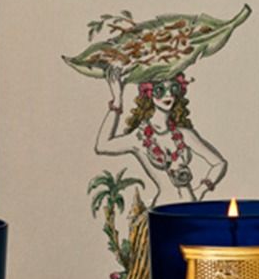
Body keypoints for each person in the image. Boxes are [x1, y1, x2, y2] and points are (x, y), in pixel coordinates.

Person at [95, 65, 227, 204]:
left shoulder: (184, 134)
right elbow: (102, 145)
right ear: (149, 93)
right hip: (163, 209)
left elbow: (219, 163)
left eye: (173, 88)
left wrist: (201, 190)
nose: (168, 95)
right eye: (160, 90)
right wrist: (117, 100)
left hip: (189, 208)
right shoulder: (139, 138)